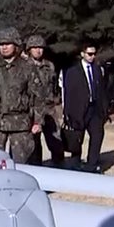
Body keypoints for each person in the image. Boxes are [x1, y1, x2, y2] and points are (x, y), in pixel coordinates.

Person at [0, 27, 41, 163]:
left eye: (7, 44)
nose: (4, 47)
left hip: (20, 124)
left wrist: (38, 121)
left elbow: (37, 96)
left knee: (22, 163)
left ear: (16, 45)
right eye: (1, 44)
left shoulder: (28, 67)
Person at [62, 41, 109, 173]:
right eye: (89, 54)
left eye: (94, 54)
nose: (92, 56)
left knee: (97, 135)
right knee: (77, 139)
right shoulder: (72, 72)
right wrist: (68, 113)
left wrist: (104, 111)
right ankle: (75, 163)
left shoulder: (98, 69)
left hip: (95, 110)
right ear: (82, 54)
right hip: (78, 110)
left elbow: (102, 91)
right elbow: (69, 94)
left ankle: (91, 165)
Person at [24, 35, 64, 167]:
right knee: (34, 144)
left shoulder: (49, 66)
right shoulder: (24, 66)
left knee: (56, 141)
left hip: (49, 109)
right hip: (32, 109)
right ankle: (37, 170)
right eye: (35, 48)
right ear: (29, 49)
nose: (38, 50)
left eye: (40, 47)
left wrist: (57, 103)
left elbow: (54, 86)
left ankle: (59, 168)